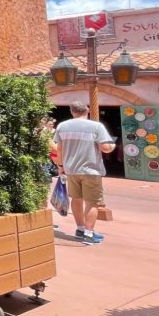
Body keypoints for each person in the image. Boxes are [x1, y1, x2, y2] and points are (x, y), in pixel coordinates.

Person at [52, 101, 116, 244]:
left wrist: (61, 166)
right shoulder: (96, 126)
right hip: (91, 170)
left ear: (72, 111)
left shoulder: (62, 126)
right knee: (92, 202)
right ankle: (89, 233)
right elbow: (105, 147)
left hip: (71, 170)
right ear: (86, 110)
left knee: (76, 199)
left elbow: (59, 149)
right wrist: (113, 145)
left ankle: (80, 229)